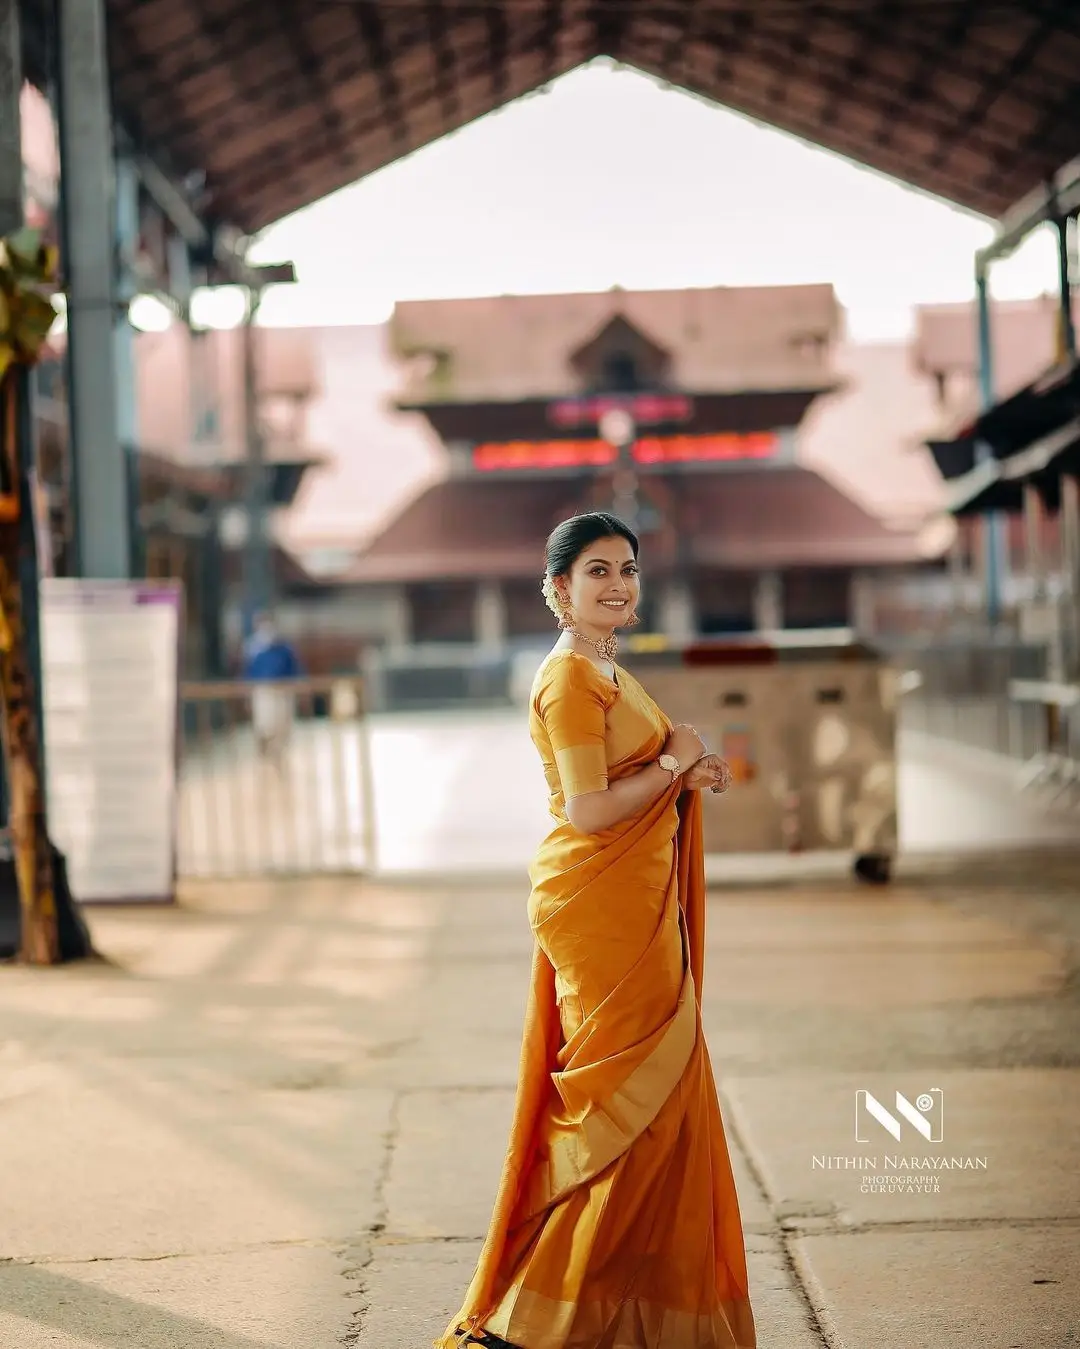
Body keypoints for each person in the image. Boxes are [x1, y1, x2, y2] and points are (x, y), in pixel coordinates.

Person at [436, 513, 756, 1349]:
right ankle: (542, 1315)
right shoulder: (571, 678)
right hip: (602, 910)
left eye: (627, 569)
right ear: (557, 590)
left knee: (655, 1102)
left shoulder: (605, 666)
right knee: (627, 1103)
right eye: (596, 572)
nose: (618, 585)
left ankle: (616, 1300)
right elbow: (586, 811)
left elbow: (638, 776)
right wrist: (669, 765)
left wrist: (687, 771)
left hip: (634, 898)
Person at [242, 611, 301, 764]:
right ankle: (265, 752)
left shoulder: (284, 648)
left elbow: (293, 669)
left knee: (282, 724)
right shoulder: (252, 648)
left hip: (283, 691)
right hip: (262, 690)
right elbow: (249, 672)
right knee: (264, 723)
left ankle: (279, 755)